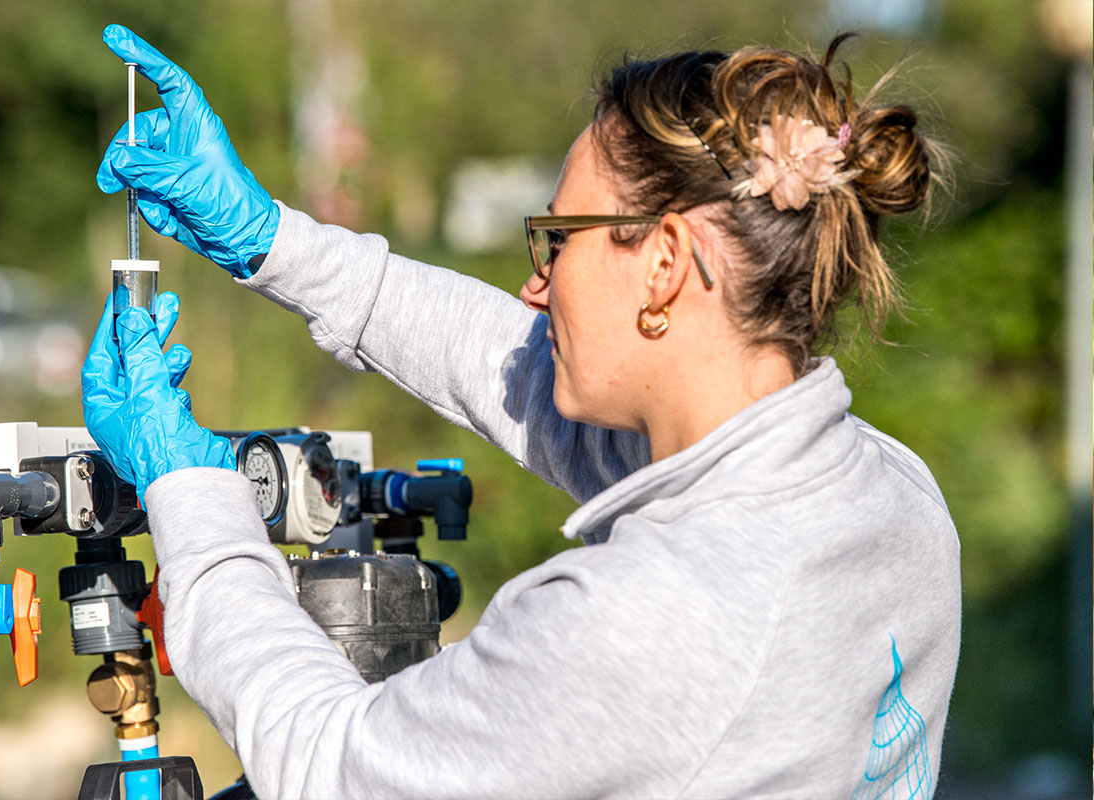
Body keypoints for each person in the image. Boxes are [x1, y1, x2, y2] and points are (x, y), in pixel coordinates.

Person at [83, 23, 961, 799]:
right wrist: (270, 239)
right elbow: (509, 368)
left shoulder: (653, 616)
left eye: (557, 241)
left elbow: (332, 769)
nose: (533, 287)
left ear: (663, 264)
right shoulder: (891, 499)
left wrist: (190, 488)